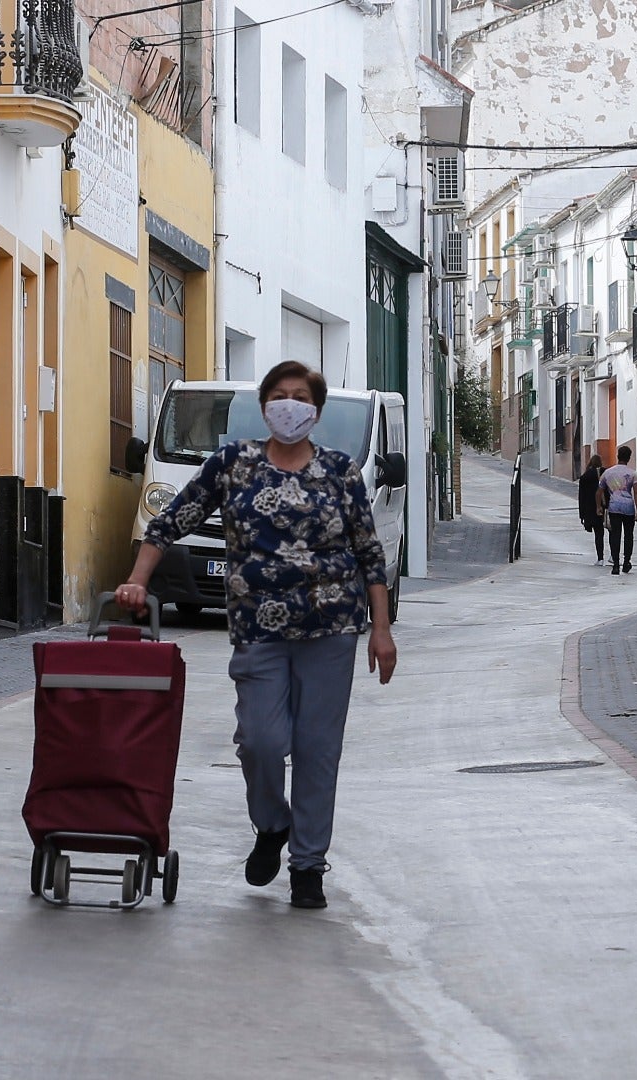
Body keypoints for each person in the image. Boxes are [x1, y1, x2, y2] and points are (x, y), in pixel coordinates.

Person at [114, 360, 397, 910]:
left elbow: (369, 554)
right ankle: (272, 826)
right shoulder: (233, 464)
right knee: (261, 743)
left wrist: (380, 630)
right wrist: (136, 579)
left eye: (300, 397)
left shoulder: (340, 472)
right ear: (265, 406)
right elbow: (174, 519)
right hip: (258, 630)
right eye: (279, 396)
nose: (289, 405)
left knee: (318, 751)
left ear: (315, 411)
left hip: (331, 628)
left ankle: (308, 866)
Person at [599, 444, 637, 576]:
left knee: (615, 535)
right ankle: (627, 561)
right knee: (628, 535)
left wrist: (599, 507)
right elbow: (636, 492)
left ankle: (616, 565)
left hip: (614, 507)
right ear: (629, 458)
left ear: (618, 456)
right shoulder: (632, 473)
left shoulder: (608, 473)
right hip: (628, 507)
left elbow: (599, 491)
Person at [578, 454, 606, 565]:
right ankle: (614, 556)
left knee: (598, 534)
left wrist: (582, 515)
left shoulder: (585, 477)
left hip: (591, 509)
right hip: (606, 507)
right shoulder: (606, 473)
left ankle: (600, 558)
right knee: (613, 531)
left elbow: (581, 497)